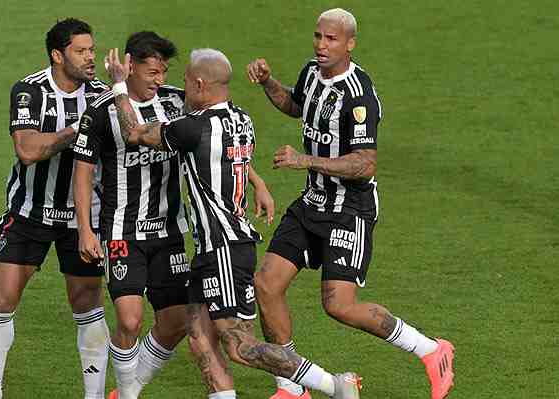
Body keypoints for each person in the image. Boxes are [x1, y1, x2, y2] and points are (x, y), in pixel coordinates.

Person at [104, 47, 362, 399]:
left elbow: (132, 131)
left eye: (185, 83)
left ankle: (334, 385)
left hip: (224, 249)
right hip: (211, 249)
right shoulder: (241, 119)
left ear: (199, 83)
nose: (182, 89)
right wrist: (258, 183)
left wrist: (119, 85)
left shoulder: (192, 128)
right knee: (199, 340)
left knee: (239, 345)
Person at [246, 8, 455, 399]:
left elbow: (365, 163)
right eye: (318, 37)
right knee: (266, 284)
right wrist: (267, 82)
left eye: (332, 39)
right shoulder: (312, 73)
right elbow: (296, 104)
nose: (322, 45)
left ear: (350, 43)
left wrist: (304, 160)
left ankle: (431, 350)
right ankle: (292, 385)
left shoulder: (359, 97)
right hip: (313, 202)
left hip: (349, 209)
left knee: (338, 305)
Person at [0, 18, 109, 399]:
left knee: (87, 303)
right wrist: (75, 131)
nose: (90, 58)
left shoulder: (101, 96)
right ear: (57, 54)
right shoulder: (29, 91)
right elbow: (28, 149)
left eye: (92, 50)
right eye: (81, 51)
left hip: (84, 217)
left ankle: (94, 395)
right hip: (30, 211)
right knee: (2, 299)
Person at [72, 31, 191, 399]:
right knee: (129, 319)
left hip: (169, 229)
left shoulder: (176, 103)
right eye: (152, 72)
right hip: (122, 230)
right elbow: (82, 169)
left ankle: (127, 388)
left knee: (175, 322)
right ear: (130, 66)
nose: (159, 80)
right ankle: (128, 394)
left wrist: (252, 178)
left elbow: (210, 135)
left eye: (164, 72)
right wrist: (85, 231)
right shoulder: (102, 111)